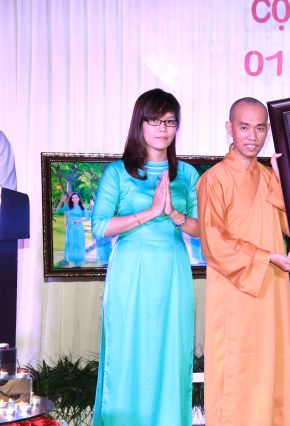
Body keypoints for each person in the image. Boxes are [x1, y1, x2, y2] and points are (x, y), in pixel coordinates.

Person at [91, 89, 199, 425]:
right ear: (140, 123)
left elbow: (203, 229)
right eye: (154, 120)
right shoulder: (117, 173)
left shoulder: (187, 174)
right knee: (127, 354)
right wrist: (151, 212)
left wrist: (175, 215)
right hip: (131, 272)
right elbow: (100, 226)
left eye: (170, 121)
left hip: (172, 272)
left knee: (171, 353)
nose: (163, 128)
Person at [197, 97, 290, 425]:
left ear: (267, 131)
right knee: (239, 369)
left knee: (273, 365)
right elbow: (213, 241)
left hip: (272, 287)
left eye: (259, 128)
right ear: (229, 129)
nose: (252, 136)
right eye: (244, 127)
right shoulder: (214, 179)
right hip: (237, 288)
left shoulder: (269, 176)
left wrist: (286, 181)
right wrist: (264, 256)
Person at [56, 192, 88, 266]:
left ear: (79, 198)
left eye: (76, 197)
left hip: (79, 228)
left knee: (79, 242)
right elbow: (57, 211)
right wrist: (61, 202)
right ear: (71, 199)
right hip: (70, 228)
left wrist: (78, 220)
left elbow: (87, 217)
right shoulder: (68, 207)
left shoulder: (82, 207)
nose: (75, 199)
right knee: (71, 242)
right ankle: (72, 259)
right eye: (73, 198)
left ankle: (79, 259)